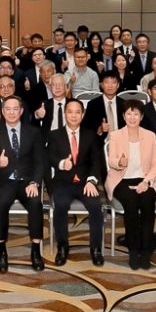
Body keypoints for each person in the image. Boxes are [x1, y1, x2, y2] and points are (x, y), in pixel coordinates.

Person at [0, 96, 45, 273]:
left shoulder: (33, 132)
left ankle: (35, 250)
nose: (11, 112)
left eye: (15, 109)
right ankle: (1, 250)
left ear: (21, 111)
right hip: (4, 181)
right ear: (3, 112)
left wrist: (35, 182)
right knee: (1, 205)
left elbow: (40, 161)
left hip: (27, 182)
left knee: (36, 203)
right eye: (8, 109)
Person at [47, 99, 104, 267]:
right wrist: (61, 163)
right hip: (63, 182)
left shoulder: (90, 135)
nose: (73, 115)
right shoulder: (54, 135)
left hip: (85, 183)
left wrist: (92, 181)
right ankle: (62, 247)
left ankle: (96, 249)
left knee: (96, 206)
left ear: (83, 115)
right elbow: (49, 157)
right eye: (70, 112)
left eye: (77, 112)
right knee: (61, 205)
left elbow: (96, 162)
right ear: (65, 114)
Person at [104, 100, 156, 270]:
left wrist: (147, 182)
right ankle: (134, 250)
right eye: (129, 113)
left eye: (136, 114)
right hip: (121, 179)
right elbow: (111, 161)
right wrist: (119, 162)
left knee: (147, 200)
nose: (132, 117)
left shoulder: (150, 136)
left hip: (145, 178)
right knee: (131, 201)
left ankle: (145, 250)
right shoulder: (116, 135)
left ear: (141, 116)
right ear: (123, 116)